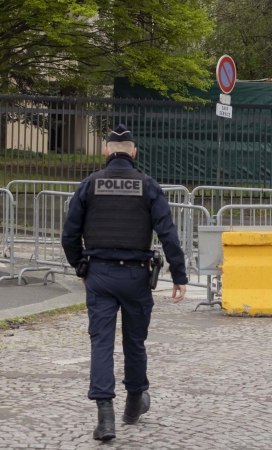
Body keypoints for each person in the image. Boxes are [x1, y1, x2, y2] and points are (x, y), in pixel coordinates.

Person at [61, 124, 188, 441]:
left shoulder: (89, 185)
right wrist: (179, 274)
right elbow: (168, 233)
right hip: (136, 275)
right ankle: (134, 404)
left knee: (101, 343)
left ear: (106, 151)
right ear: (134, 152)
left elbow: (68, 234)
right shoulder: (148, 185)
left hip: (100, 275)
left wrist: (80, 267)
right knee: (135, 342)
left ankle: (105, 418)